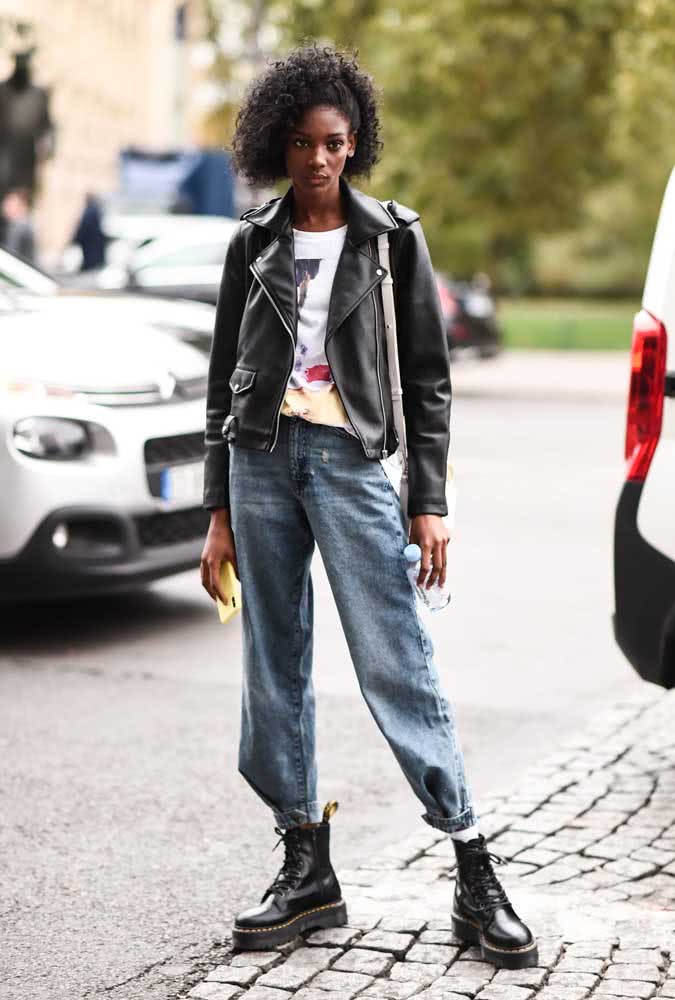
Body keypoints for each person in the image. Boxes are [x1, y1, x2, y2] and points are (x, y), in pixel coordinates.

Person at [200, 44, 538, 969]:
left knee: (397, 660)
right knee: (275, 666)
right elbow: (221, 385)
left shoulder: (391, 239)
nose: (319, 159)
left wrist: (427, 500)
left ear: (356, 145)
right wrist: (218, 510)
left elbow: (427, 382)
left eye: (336, 143)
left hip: (351, 463)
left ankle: (472, 866)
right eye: (304, 143)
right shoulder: (252, 240)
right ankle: (306, 868)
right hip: (261, 463)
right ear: (279, 143)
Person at [0, 187, 36, 262]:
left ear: (23, 207)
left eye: (10, 203)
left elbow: (9, 258)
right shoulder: (26, 224)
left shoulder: (19, 227)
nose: (4, 205)